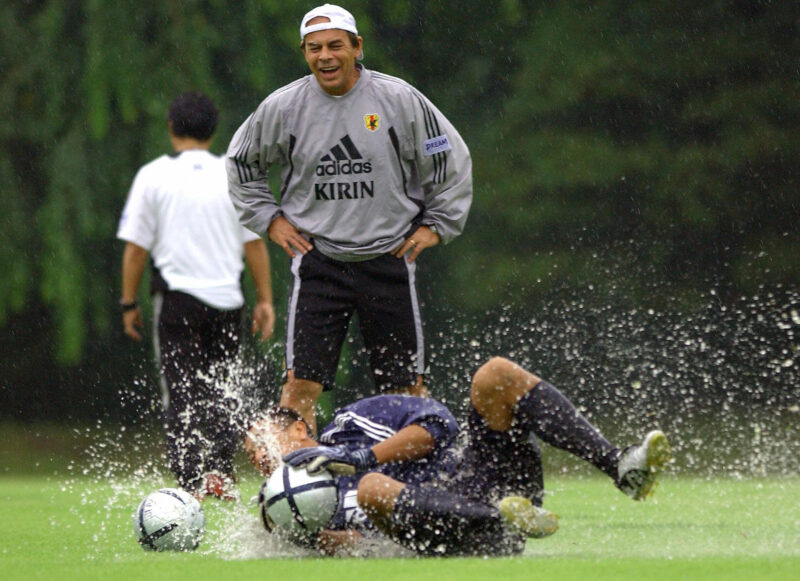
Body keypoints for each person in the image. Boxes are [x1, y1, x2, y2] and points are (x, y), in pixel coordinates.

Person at [227, 4, 473, 432]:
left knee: (408, 389)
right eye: (314, 48)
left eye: (335, 45)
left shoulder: (398, 99)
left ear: (357, 47)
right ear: (304, 53)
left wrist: (437, 224)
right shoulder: (283, 107)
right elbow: (241, 163)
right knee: (298, 389)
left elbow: (447, 156)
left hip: (389, 257)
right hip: (319, 262)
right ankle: (300, 489)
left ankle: (415, 486)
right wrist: (270, 219)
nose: (325, 56)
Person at [245, 356, 672, 556]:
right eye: (254, 459)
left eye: (262, 443)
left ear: (299, 427)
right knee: (376, 491)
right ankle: (499, 524)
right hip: (455, 533)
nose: (262, 461)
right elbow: (365, 548)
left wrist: (358, 458)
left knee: (495, 375)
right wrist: (311, 537)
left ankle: (621, 465)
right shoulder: (289, 506)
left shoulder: (350, 422)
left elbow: (439, 426)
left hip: (481, 481)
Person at [117, 91, 276, 500]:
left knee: (181, 390)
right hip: (228, 300)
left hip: (178, 301)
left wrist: (128, 302)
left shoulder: (152, 176)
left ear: (171, 127)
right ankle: (221, 474)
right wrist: (265, 300)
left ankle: (190, 482)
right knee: (222, 388)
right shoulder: (233, 173)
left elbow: (136, 249)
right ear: (213, 130)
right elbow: (254, 244)